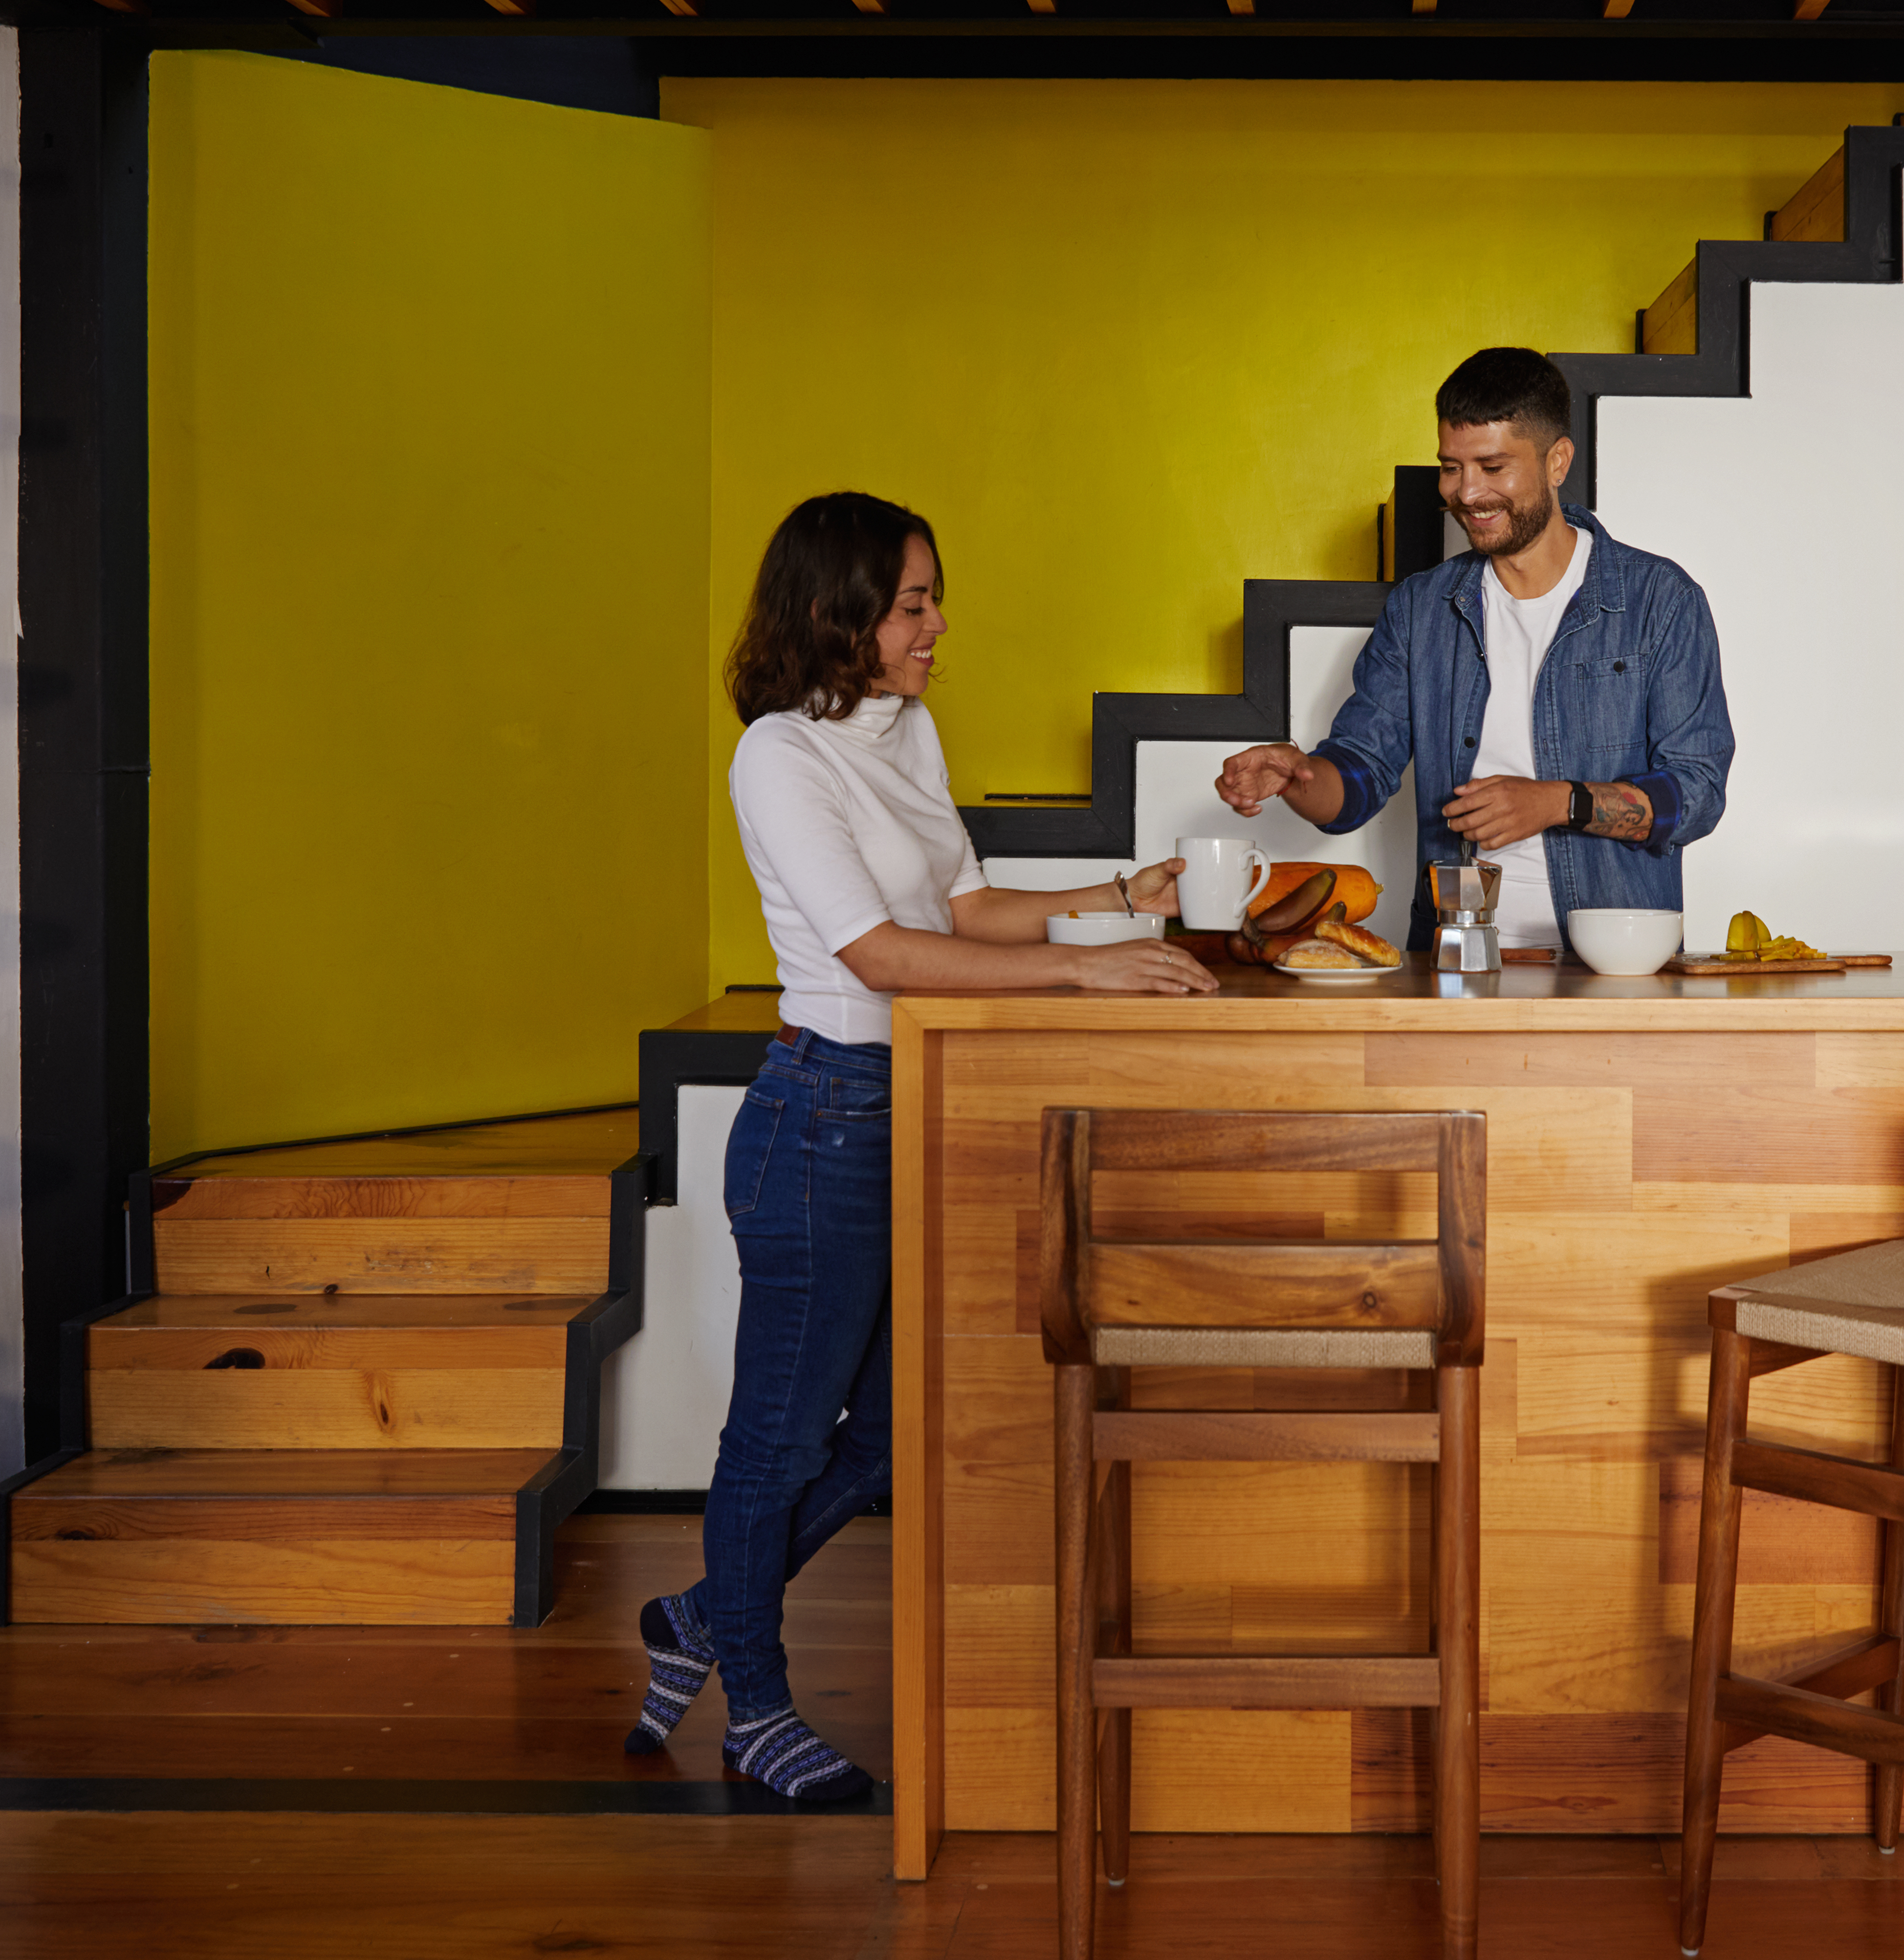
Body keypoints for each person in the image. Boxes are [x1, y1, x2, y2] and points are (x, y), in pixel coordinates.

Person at [630, 491, 1213, 1801]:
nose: (938, 624)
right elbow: (878, 955)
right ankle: (758, 1710)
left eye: (932, 598)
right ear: (842, 615)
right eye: (913, 604)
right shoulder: (779, 755)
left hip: (909, 1109)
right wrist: (1084, 983)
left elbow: (965, 907)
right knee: (775, 1444)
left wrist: (1115, 904)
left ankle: (704, 1616)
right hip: (818, 1115)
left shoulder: (908, 729)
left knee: (890, 1432)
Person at [1215, 348, 1733, 951]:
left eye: (1492, 466)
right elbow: (1359, 775)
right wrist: (1299, 775)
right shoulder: (1419, 609)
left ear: (1557, 461)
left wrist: (1557, 803)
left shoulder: (1659, 601)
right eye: (1451, 467)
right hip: (1453, 968)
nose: (1467, 493)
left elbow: (1697, 794)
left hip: (1615, 968)